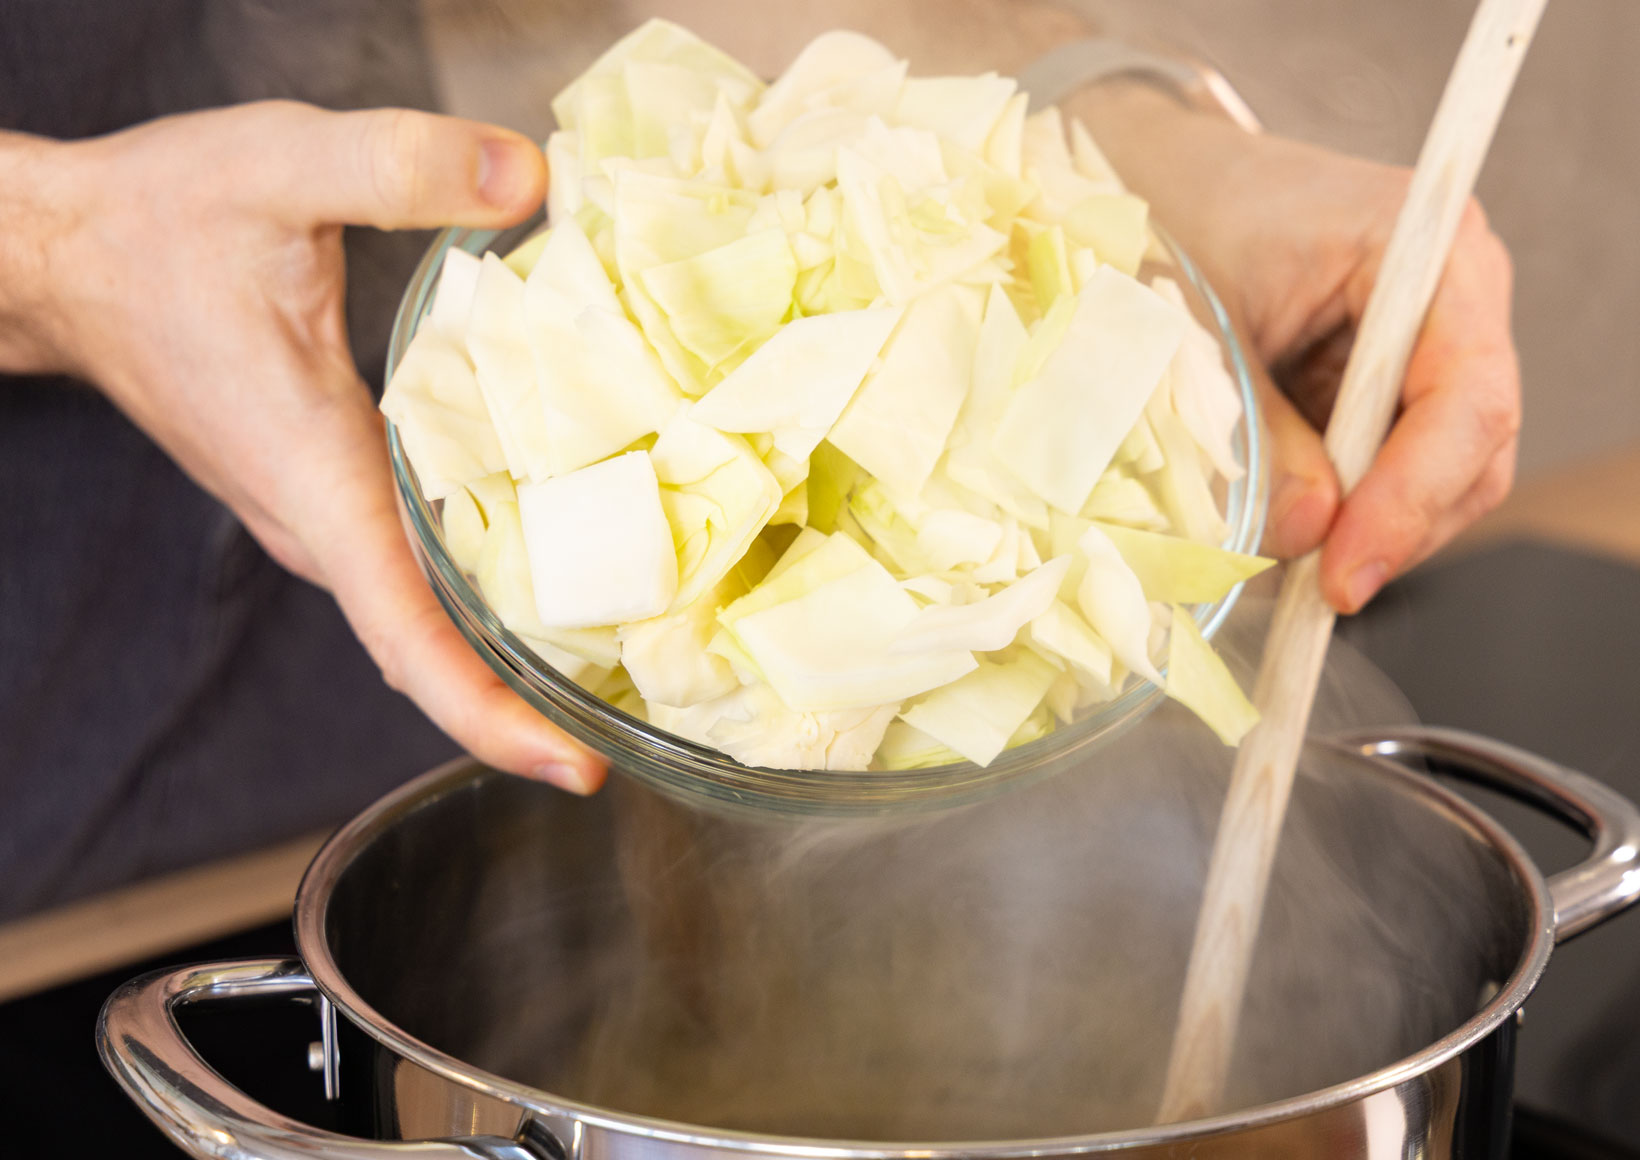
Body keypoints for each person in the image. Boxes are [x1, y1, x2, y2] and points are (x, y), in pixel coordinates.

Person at [0, 3, 1516, 917]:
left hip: (493, 635)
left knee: (485, 919)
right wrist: (57, 251)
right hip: (44, 797)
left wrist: (1119, 137)